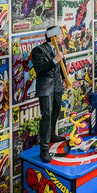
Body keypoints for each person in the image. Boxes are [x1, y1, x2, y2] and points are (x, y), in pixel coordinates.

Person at [30, 26, 70, 162]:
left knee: (56, 111)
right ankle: (44, 149)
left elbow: (63, 64)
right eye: (60, 35)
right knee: (46, 116)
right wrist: (54, 60)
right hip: (46, 87)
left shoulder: (59, 48)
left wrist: (65, 79)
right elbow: (39, 69)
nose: (62, 37)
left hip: (57, 85)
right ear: (53, 36)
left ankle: (52, 135)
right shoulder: (38, 50)